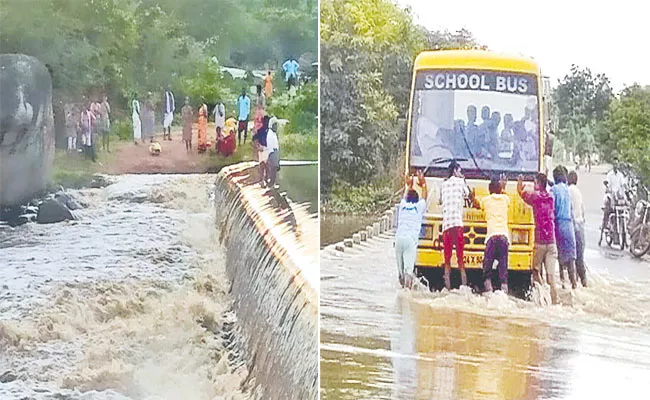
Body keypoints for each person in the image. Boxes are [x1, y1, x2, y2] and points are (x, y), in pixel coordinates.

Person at [517, 173, 558, 304]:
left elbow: (521, 193)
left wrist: (520, 182)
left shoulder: (535, 197)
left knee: (535, 271)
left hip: (540, 242)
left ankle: (541, 297)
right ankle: (554, 302)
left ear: (538, 184)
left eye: (535, 183)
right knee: (551, 277)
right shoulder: (551, 197)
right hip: (552, 242)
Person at [439, 161, 473, 289]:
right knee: (460, 260)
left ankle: (447, 288)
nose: (461, 174)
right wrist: (464, 180)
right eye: (460, 171)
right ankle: (464, 288)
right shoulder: (460, 182)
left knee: (447, 261)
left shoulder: (443, 185)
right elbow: (468, 195)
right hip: (458, 225)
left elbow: (440, 201)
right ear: (455, 171)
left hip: (446, 227)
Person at [475, 175, 510, 293]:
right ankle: (504, 291)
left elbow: (477, 205)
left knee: (487, 268)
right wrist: (503, 187)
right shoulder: (505, 199)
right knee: (503, 266)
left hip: (491, 237)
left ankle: (489, 291)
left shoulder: (486, 200)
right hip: (504, 237)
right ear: (500, 190)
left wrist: (472, 197)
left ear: (489, 190)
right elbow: (505, 196)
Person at [395, 170, 428, 288]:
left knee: (401, 273)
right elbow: (425, 195)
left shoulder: (403, 206)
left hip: (398, 240)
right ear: (416, 200)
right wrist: (423, 183)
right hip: (410, 241)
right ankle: (407, 294)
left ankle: (402, 290)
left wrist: (409, 185)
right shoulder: (418, 207)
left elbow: (404, 195)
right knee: (408, 272)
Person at [550, 166, 578, 289]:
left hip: (558, 224)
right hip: (569, 224)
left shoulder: (553, 190)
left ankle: (562, 283)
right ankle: (574, 285)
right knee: (571, 258)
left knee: (560, 257)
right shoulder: (567, 190)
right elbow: (571, 210)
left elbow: (552, 208)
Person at [568, 170, 588, 287]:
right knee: (580, 257)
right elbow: (582, 210)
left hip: (572, 225)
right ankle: (584, 282)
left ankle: (573, 283)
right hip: (580, 226)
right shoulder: (578, 192)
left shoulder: (568, 191)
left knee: (571, 258)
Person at [266, 117, 280, 187]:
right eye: (275, 125)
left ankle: (272, 183)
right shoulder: (270, 134)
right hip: (272, 152)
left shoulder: (273, 133)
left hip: (274, 152)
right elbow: (272, 146)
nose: (276, 127)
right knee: (273, 169)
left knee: (274, 169)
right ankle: (271, 184)